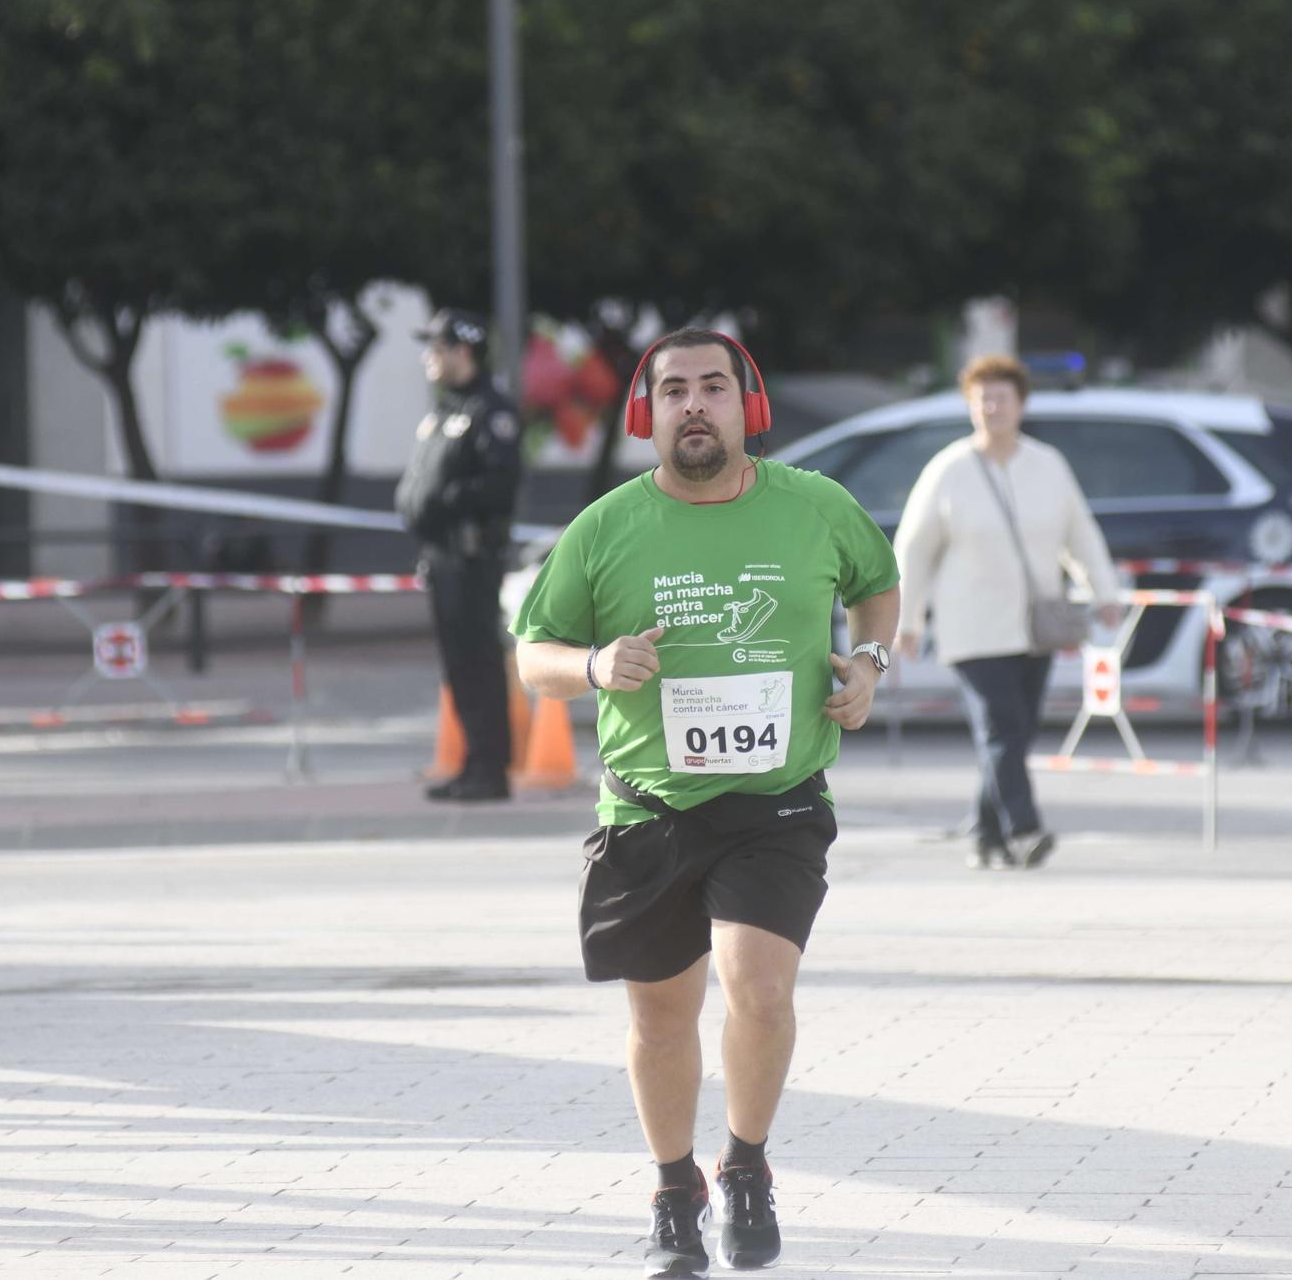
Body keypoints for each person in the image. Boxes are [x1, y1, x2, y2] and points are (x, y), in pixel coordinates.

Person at [510, 328, 898, 1277]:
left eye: (713, 388)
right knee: (658, 1019)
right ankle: (674, 1185)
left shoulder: (817, 507)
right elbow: (534, 658)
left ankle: (749, 1165)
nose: (694, 404)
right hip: (648, 808)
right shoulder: (604, 527)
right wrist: (595, 663)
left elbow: (878, 588)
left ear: (746, 406)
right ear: (647, 414)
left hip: (775, 804)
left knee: (759, 990)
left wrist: (870, 662)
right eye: (674, 389)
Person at [892, 354, 1120, 871]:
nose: (992, 407)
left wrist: (1103, 591)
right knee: (1000, 728)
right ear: (970, 406)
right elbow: (914, 547)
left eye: (1001, 397)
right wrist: (908, 620)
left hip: (1032, 627)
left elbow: (1079, 532)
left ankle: (985, 833)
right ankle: (1025, 828)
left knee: (1014, 734)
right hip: (970, 627)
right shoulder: (948, 469)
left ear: (1021, 404)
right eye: (982, 398)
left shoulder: (1047, 464)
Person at [396, 308, 524, 801]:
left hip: (472, 558)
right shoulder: (446, 411)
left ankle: (491, 770)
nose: (429, 355)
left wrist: (441, 502)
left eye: (437, 346)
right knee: (458, 665)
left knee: (479, 662)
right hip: (442, 556)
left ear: (463, 351)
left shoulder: (492, 412)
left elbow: (499, 484)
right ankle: (473, 763)